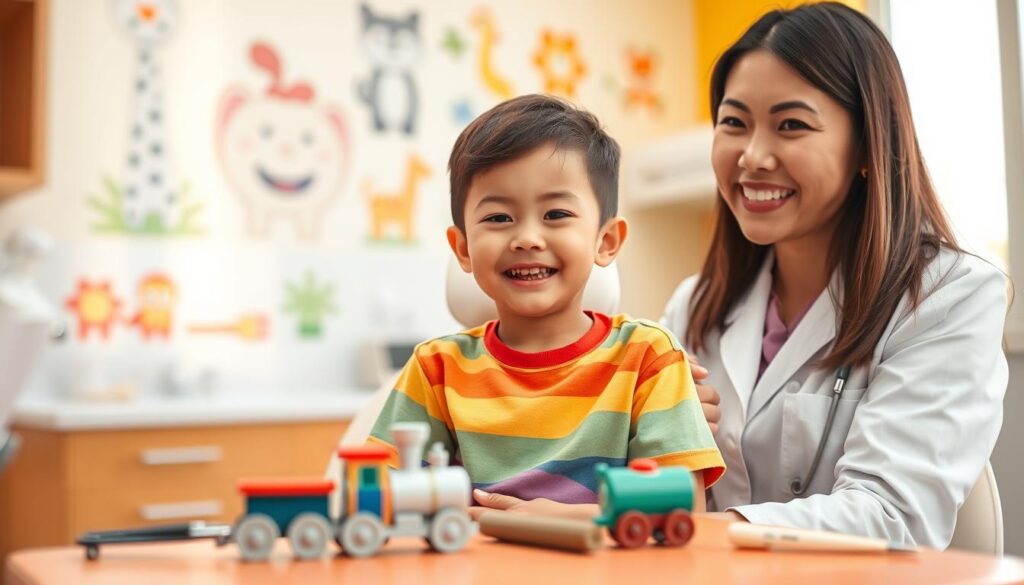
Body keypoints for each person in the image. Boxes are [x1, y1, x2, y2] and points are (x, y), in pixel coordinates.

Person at [661, 3, 1008, 548]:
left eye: (791, 125)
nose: (751, 156)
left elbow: (894, 518)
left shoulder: (949, 297)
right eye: (733, 123)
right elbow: (663, 484)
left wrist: (707, 535)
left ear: (868, 144)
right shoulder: (694, 307)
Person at [368, 94, 725, 518]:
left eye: (556, 213)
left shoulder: (647, 357)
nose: (527, 238)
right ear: (462, 248)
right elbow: (381, 496)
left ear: (606, 241)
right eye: (499, 218)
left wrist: (549, 516)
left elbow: (682, 506)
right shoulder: (436, 369)